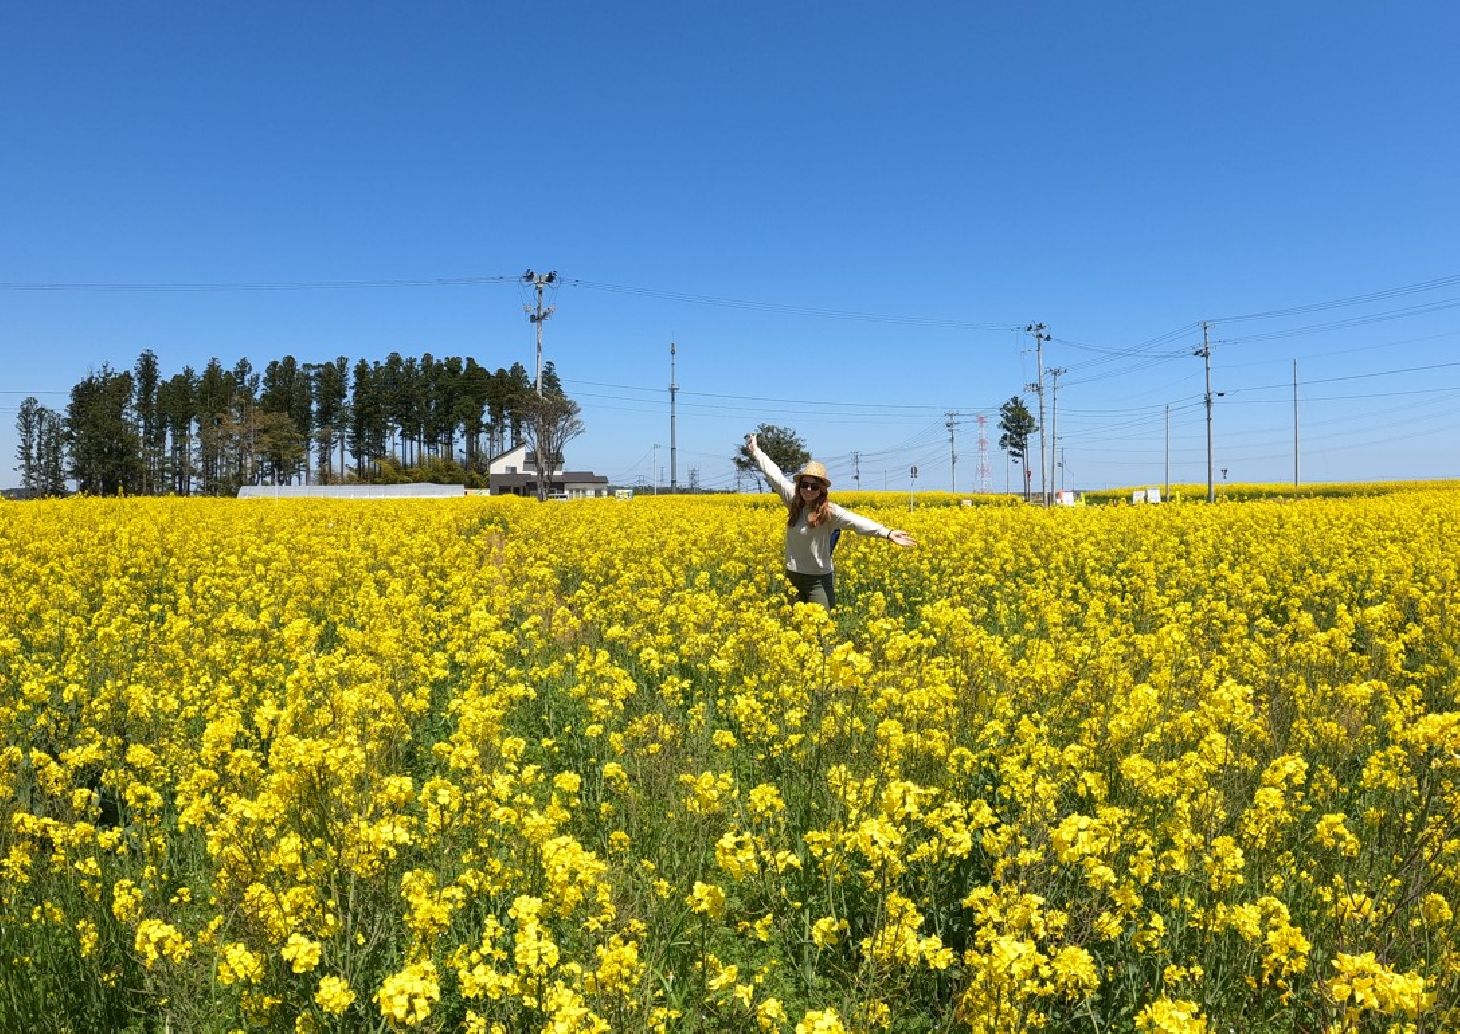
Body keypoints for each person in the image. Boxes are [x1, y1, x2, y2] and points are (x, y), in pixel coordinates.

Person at [745, 432, 916, 609]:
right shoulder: (793, 500)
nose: (808, 489)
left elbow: (856, 522)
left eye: (814, 486)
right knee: (794, 626)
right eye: (804, 484)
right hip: (792, 576)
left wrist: (887, 533)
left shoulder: (830, 512)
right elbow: (774, 475)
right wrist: (756, 452)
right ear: (799, 486)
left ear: (822, 490)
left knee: (821, 628)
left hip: (818, 581)